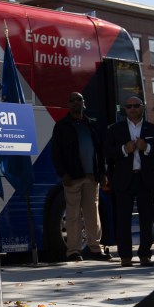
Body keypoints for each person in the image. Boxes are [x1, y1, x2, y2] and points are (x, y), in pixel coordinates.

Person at [104, 97, 154, 267]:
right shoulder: (115, 129)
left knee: (147, 218)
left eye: (136, 106)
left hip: (145, 178)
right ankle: (125, 256)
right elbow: (107, 152)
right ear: (125, 109)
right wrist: (124, 150)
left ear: (142, 107)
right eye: (129, 106)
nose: (132, 109)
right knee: (122, 218)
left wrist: (146, 147)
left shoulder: (153, 129)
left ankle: (145, 255)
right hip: (124, 179)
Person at [51, 92, 111, 262]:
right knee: (73, 215)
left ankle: (94, 249)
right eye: (72, 100)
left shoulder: (91, 125)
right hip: (73, 178)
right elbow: (56, 153)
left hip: (92, 177)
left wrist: (103, 173)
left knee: (93, 214)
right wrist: (63, 173)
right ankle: (73, 251)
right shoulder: (62, 126)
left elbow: (100, 151)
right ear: (68, 105)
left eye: (79, 99)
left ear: (84, 103)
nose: (76, 102)